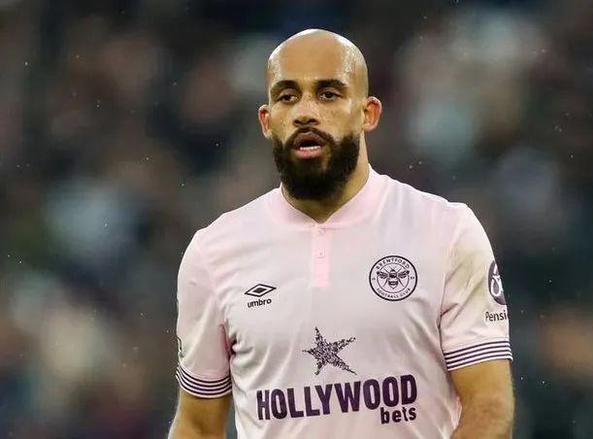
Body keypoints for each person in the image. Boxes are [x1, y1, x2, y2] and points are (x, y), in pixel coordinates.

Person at [168, 29, 514, 439]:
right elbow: (196, 425)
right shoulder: (213, 253)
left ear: (368, 113)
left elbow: (490, 408)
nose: (305, 112)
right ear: (267, 120)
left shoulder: (446, 231)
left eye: (328, 94)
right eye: (287, 96)